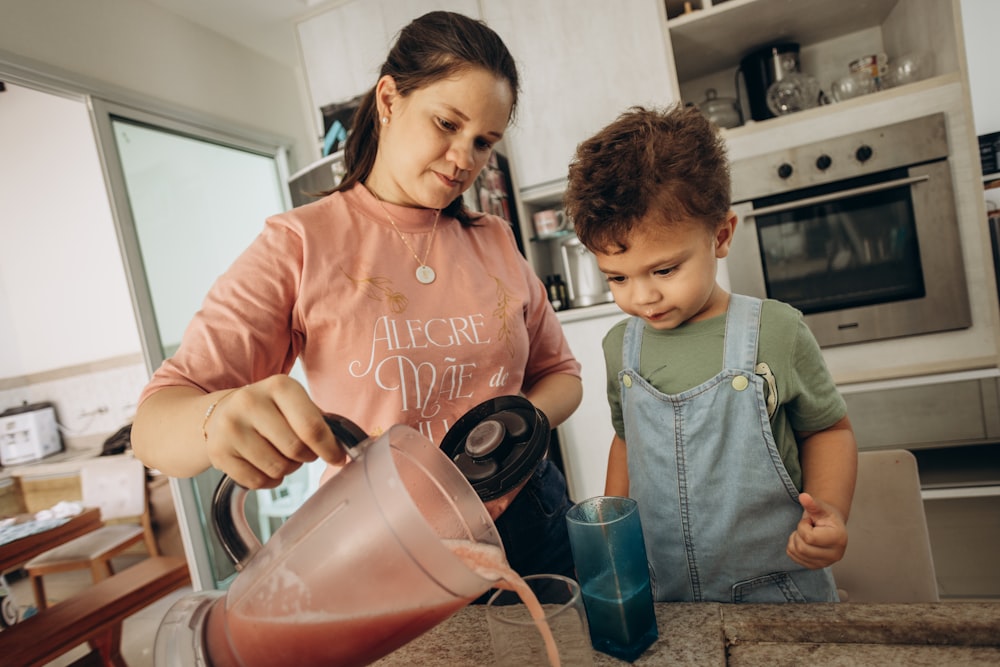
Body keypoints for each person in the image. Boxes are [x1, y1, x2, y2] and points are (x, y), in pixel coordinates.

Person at [131, 11, 583, 580]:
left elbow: (562, 373)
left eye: (483, 142)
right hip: (393, 545)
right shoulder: (300, 243)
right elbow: (154, 424)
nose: (465, 158)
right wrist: (217, 417)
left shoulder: (494, 239)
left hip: (533, 513)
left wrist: (505, 437)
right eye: (446, 123)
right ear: (389, 100)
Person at [562, 104, 857, 603]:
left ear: (720, 236)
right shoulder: (621, 347)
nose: (641, 297)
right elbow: (626, 441)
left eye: (664, 270)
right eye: (617, 277)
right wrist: (614, 525)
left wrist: (829, 512)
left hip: (776, 593)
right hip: (664, 595)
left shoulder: (775, 331)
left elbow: (829, 430)